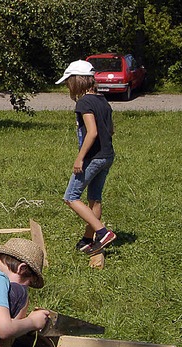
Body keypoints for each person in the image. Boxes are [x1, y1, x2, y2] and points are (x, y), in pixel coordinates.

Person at [55, 60, 116, 255]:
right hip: (107, 155)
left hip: (93, 157)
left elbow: (92, 133)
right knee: (94, 200)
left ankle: (102, 232)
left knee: (71, 197)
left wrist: (79, 158)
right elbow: (110, 130)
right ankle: (88, 240)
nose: (67, 86)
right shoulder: (102, 100)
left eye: (68, 82)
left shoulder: (84, 102)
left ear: (77, 81)